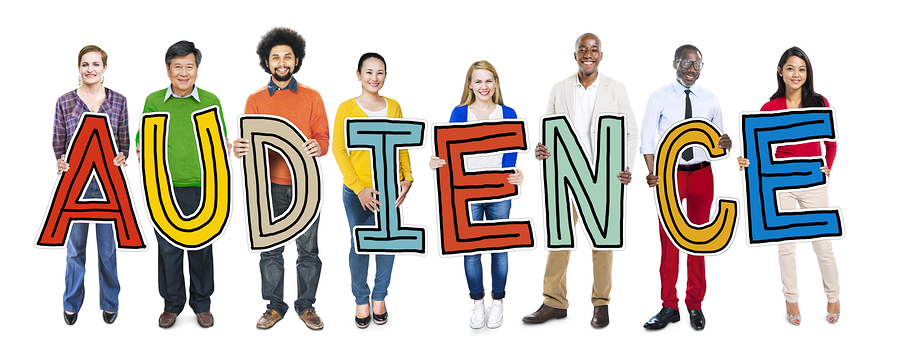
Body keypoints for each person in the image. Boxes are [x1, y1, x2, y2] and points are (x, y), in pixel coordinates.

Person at [523, 33, 638, 328]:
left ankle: (601, 305)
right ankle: (554, 302)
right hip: (568, 178)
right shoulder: (560, 88)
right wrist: (541, 148)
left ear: (601, 55)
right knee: (559, 241)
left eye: (594, 50)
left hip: (602, 178)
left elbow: (631, 132)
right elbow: (549, 128)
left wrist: (626, 166)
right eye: (582, 50)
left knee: (603, 244)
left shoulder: (616, 89)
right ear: (575, 55)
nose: (588, 54)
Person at [233, 27, 328, 331]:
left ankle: (306, 305)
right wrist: (238, 148)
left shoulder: (312, 97)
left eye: (288, 56)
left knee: (308, 250)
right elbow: (248, 144)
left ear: (296, 60)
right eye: (276, 57)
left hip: (305, 185)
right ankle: (274, 306)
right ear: (267, 62)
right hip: (268, 187)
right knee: (270, 249)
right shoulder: (255, 99)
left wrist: (319, 146)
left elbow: (323, 139)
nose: (282, 62)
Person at [738, 46, 840, 326]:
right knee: (786, 245)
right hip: (780, 183)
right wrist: (748, 162)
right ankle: (791, 299)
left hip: (811, 180)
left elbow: (830, 142)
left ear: (808, 74)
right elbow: (757, 148)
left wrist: (827, 166)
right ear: (780, 71)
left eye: (802, 69)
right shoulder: (769, 108)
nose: (796, 74)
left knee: (822, 243)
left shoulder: (819, 102)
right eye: (791, 68)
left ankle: (833, 296)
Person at [137, 40, 230, 329]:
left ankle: (202, 305)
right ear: (168, 70)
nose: (183, 72)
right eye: (177, 66)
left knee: (202, 247)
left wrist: (230, 146)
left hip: (204, 186)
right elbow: (143, 139)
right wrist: (140, 148)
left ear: (197, 70)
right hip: (163, 186)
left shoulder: (211, 100)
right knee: (168, 249)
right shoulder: (153, 101)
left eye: (189, 66)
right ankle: (172, 304)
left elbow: (221, 140)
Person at [639, 45, 731, 331]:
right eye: (687, 64)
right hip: (670, 175)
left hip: (703, 175)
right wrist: (652, 172)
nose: (692, 70)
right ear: (675, 64)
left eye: (697, 65)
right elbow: (647, 140)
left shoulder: (711, 99)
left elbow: (718, 143)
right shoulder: (660, 97)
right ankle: (669, 305)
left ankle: (695, 304)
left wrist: (726, 145)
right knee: (669, 243)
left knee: (699, 240)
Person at [428, 60, 524, 329]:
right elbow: (447, 151)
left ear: (496, 84)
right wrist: (435, 162)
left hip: (499, 191)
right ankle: (477, 303)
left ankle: (498, 302)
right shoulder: (459, 114)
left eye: (489, 80)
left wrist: (517, 175)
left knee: (499, 248)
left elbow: (511, 154)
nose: (484, 86)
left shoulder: (508, 112)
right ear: (470, 84)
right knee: (471, 250)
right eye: (478, 81)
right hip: (466, 191)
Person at [333, 52, 412, 329]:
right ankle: (361, 298)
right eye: (368, 72)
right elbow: (339, 150)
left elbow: (402, 144)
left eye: (380, 73)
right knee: (360, 245)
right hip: (357, 192)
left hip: (388, 189)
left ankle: (380, 297)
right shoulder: (346, 108)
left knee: (387, 242)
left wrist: (407, 176)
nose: (374, 78)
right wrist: (359, 189)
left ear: (385, 76)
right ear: (358, 75)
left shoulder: (394, 106)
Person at [53, 45, 129, 325]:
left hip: (108, 187)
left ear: (104, 69)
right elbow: (58, 142)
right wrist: (60, 160)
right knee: (75, 250)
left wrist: (123, 155)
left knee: (108, 249)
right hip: (76, 187)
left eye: (96, 64)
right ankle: (71, 303)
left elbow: (124, 142)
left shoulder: (119, 102)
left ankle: (110, 303)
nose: (90, 69)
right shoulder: (64, 102)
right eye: (85, 64)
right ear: (79, 68)